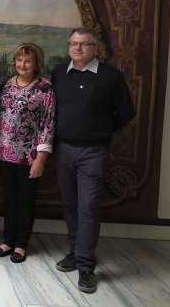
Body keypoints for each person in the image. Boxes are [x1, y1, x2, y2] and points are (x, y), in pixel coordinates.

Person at [51, 27, 135, 293]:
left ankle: (86, 267)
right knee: (71, 205)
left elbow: (126, 112)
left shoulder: (110, 76)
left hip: (93, 152)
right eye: (73, 44)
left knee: (87, 207)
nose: (78, 48)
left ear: (95, 48)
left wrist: (101, 130)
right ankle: (75, 252)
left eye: (84, 44)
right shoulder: (59, 74)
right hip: (63, 149)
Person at [0, 43, 55, 263]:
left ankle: (21, 244)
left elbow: (48, 123)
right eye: (19, 60)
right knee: (9, 199)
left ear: (36, 64)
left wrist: (41, 158)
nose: (23, 64)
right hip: (4, 152)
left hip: (30, 155)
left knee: (26, 200)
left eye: (28, 61)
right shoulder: (5, 85)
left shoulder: (45, 88)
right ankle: (8, 240)